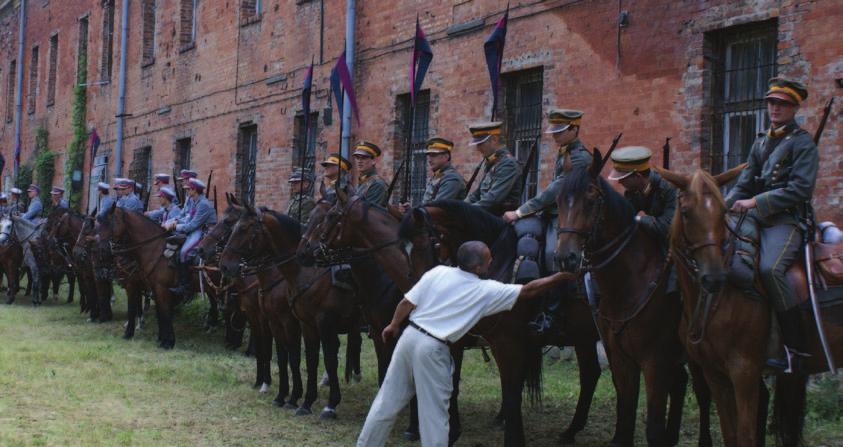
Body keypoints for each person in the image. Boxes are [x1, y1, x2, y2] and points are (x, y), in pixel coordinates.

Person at [356, 241, 574, 447]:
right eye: (489, 259)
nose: (492, 261)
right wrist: (560, 277)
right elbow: (528, 290)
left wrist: (393, 325)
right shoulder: (485, 290)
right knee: (435, 414)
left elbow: (407, 301)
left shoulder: (437, 272)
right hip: (432, 348)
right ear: (478, 267)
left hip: (409, 337)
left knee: (386, 401)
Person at [725, 77, 818, 374]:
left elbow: (800, 189)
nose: (775, 108)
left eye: (783, 104)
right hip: (755, 218)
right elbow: (744, 182)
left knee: (769, 269)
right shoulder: (762, 140)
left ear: (794, 108)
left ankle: (795, 349)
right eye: (772, 102)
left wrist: (756, 202)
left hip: (786, 220)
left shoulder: (803, 144)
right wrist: (722, 206)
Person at [502, 109, 591, 281]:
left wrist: (520, 211)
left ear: (574, 129)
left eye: (560, 131)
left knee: (553, 253)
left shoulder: (580, 157)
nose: (554, 136)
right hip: (553, 211)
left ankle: (557, 299)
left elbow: (555, 190)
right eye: (554, 131)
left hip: (568, 215)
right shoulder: (565, 151)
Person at [608, 145, 678, 294]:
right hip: (655, 238)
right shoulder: (633, 191)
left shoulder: (669, 188)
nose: (619, 182)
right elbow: (624, 219)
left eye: (623, 178)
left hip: (675, 244)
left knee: (675, 285)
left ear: (638, 177)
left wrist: (640, 220)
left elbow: (667, 227)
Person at [164, 178, 217, 296]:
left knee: (184, 252)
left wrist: (174, 227)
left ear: (194, 190)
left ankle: (185, 286)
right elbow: (188, 218)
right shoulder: (194, 200)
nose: (187, 191)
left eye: (188, 189)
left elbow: (192, 225)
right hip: (195, 229)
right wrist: (173, 221)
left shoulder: (203, 204)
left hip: (205, 232)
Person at [465, 121, 521, 216]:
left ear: (494, 139)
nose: (478, 148)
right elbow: (476, 195)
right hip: (486, 215)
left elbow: (493, 199)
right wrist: (460, 206)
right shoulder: (492, 161)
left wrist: (465, 210)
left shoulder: (508, 164)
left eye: (481, 143)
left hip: (499, 218)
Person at [398, 137, 466, 213]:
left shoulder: (452, 178)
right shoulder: (439, 175)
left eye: (433, 155)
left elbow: (437, 208)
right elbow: (427, 205)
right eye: (429, 155)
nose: (429, 160)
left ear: (446, 157)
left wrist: (414, 212)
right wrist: (411, 209)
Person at [352, 141, 388, 207]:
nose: (359, 161)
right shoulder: (362, 182)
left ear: (374, 161)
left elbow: (368, 214)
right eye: (357, 158)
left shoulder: (377, 184)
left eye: (364, 158)